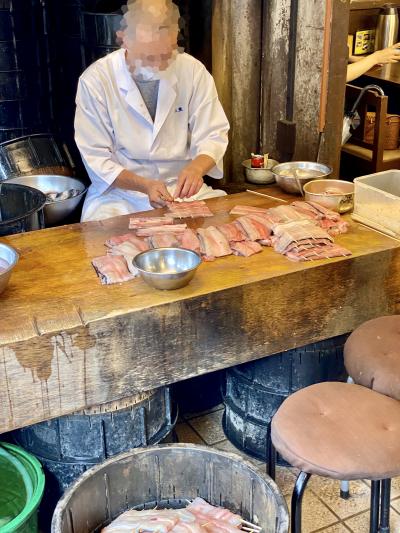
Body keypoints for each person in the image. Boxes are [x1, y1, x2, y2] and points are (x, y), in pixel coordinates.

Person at [75, 0, 229, 221]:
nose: (158, 64)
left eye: (166, 55)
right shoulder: (96, 80)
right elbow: (96, 157)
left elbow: (213, 133)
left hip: (181, 190)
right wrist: (144, 185)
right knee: (101, 234)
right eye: (148, 57)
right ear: (124, 39)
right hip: (121, 195)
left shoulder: (193, 71)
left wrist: (197, 168)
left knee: (223, 224)